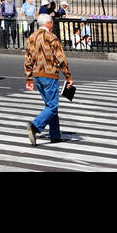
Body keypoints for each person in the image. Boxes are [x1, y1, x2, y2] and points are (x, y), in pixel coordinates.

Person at [24, 12, 73, 145]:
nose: (53, 24)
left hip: (37, 75)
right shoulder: (51, 37)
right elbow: (61, 58)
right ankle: (35, 126)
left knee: (50, 106)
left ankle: (55, 135)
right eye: (52, 22)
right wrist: (68, 76)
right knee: (53, 106)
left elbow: (27, 61)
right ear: (48, 23)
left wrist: (29, 79)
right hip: (50, 74)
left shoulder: (31, 38)